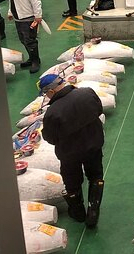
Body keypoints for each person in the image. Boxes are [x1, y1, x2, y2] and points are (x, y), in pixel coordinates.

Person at [39, 74, 105, 227]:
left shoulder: (52, 112)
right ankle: (93, 210)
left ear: (50, 91)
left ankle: (78, 213)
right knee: (95, 176)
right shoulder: (88, 93)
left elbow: (50, 138)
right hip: (93, 145)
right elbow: (99, 110)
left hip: (69, 154)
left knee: (72, 183)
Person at [4, 0, 42, 73]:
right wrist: (10, 11)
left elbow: (36, 1)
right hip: (18, 18)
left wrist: (38, 15)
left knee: (30, 40)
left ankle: (36, 61)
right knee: (23, 39)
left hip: (28, 18)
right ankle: (31, 57)